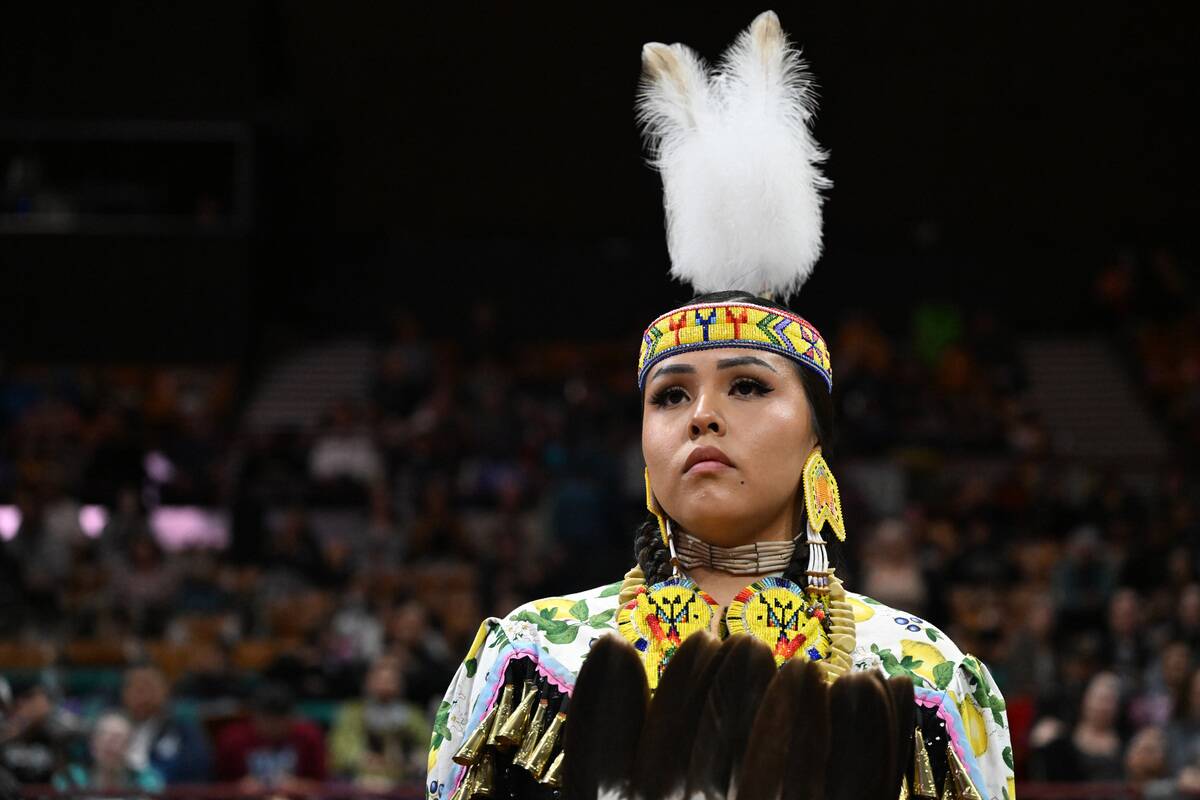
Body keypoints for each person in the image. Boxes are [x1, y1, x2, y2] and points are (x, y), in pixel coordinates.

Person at [426, 11, 1013, 800]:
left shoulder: (924, 676)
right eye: (670, 396)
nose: (702, 415)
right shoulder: (530, 657)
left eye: (748, 386)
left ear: (817, 443)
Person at [329, 655, 429, 788]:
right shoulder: (353, 712)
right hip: (360, 779)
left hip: (404, 779)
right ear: (368, 682)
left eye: (391, 680)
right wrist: (364, 759)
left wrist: (415, 760)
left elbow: (428, 745)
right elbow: (341, 748)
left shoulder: (412, 715)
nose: (385, 685)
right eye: (380, 679)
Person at [214, 682, 326, 789]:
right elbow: (216, 786)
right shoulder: (233, 738)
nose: (274, 728)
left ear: (293, 717)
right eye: (267, 721)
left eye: (280, 721)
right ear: (254, 716)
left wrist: (300, 786)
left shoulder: (309, 736)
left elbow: (324, 784)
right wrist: (238, 787)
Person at [121, 665, 212, 784]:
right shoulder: (113, 727)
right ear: (125, 694)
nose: (144, 697)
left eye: (149, 689)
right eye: (138, 689)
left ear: (165, 692)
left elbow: (198, 767)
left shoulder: (182, 729)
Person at [52, 712, 163, 798]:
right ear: (93, 744)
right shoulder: (69, 778)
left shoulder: (146, 782)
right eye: (103, 735)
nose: (110, 744)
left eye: (118, 738)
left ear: (129, 746)